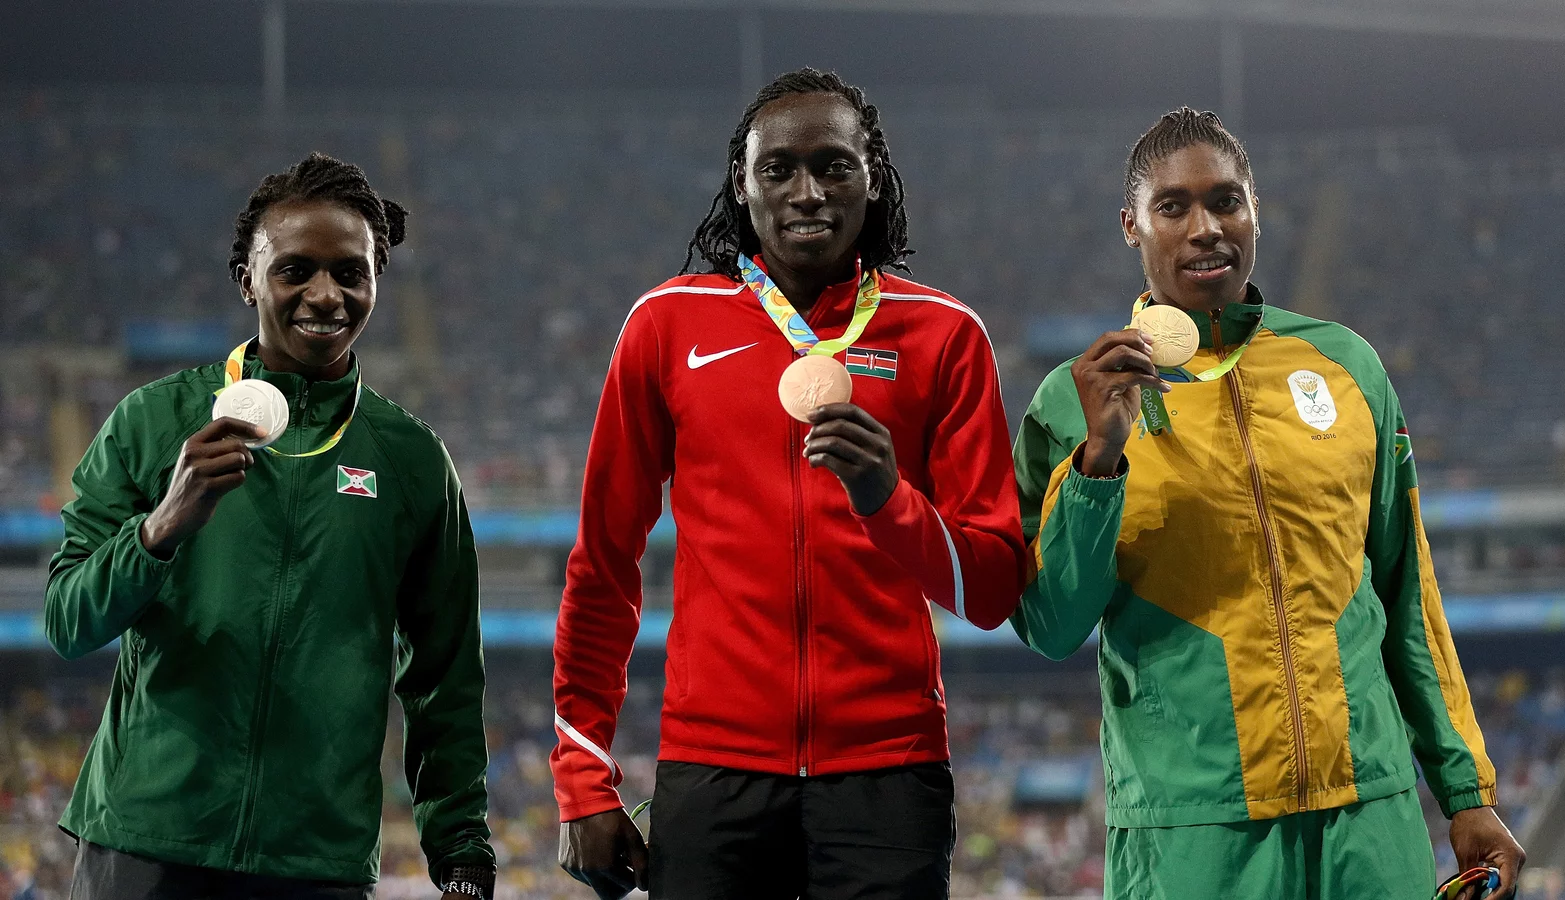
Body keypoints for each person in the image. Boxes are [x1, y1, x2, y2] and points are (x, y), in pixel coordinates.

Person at [1011, 109, 1525, 900]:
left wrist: (1467, 792)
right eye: (1173, 207)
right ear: (1131, 226)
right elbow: (1050, 624)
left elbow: (1406, 595)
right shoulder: (1070, 400)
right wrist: (1099, 458)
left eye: (1226, 201)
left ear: (1257, 210)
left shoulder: (1346, 365)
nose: (1206, 228)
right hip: (1192, 833)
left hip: (1368, 816)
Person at [551, 68, 1026, 899]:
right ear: (743, 183)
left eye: (833, 165)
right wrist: (583, 773)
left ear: (871, 177)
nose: (807, 191)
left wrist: (890, 501)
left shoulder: (947, 336)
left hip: (890, 774)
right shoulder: (665, 326)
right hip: (712, 770)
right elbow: (604, 566)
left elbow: (988, 590)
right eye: (780, 169)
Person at [44, 153, 495, 900]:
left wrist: (460, 847)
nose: (326, 294)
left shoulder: (412, 459)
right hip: (146, 842)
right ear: (247, 277)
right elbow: (67, 620)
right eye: (295, 270)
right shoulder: (153, 421)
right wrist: (158, 530)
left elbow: (444, 675)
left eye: (350, 273)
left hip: (313, 861)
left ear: (376, 279)